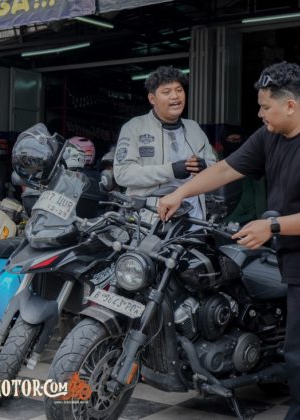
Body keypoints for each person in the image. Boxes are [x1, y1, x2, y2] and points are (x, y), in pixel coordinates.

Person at [157, 62, 300, 420]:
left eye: (265, 106)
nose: (259, 113)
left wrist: (273, 227)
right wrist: (181, 192)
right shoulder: (269, 136)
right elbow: (225, 169)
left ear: (290, 106)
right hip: (290, 256)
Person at [113, 65, 216, 221]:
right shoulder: (134, 127)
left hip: (194, 222)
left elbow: (215, 166)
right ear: (152, 99)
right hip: (148, 223)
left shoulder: (194, 128)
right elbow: (122, 174)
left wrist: (205, 166)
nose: (175, 96)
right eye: (166, 92)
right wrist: (170, 170)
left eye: (179, 90)